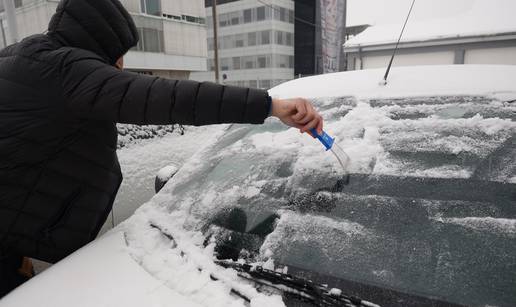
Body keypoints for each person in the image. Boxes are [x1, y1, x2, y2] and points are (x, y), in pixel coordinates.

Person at [0, 0, 323, 297]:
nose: (122, 65)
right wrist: (270, 106)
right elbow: (169, 97)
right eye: (119, 54)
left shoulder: (19, 59)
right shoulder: (66, 71)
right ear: (100, 43)